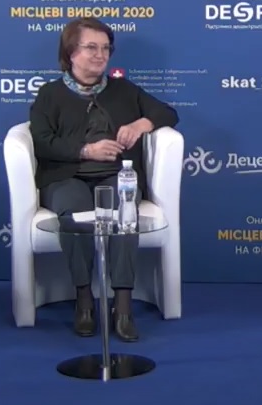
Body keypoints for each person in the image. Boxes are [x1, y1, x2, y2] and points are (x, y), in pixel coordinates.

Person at [28, 17, 179, 342]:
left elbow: (168, 113)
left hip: (115, 175)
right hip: (66, 176)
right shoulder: (50, 94)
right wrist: (85, 150)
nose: (100, 55)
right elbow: (41, 141)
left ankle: (122, 305)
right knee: (74, 214)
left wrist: (141, 124)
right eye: (91, 48)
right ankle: (84, 299)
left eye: (106, 48)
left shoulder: (124, 90)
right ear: (71, 53)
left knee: (125, 213)